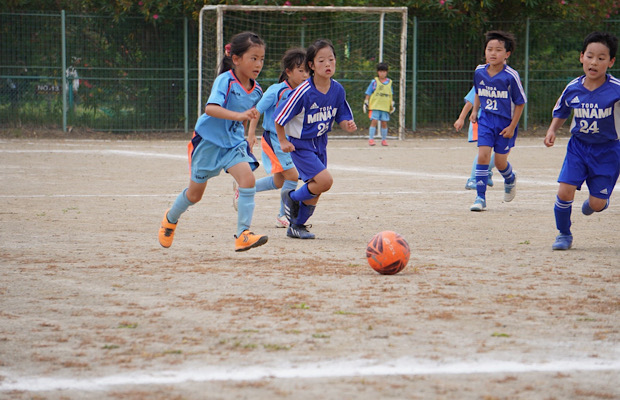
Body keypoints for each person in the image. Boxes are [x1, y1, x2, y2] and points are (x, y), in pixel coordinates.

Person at [158, 31, 268, 252]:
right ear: (236, 59)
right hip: (207, 143)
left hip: (233, 144)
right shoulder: (225, 81)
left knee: (248, 180)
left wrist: (249, 133)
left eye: (262, 59)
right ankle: (170, 219)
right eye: (253, 58)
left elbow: (249, 114)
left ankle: (243, 234)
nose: (259, 64)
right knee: (194, 195)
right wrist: (239, 116)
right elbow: (210, 109)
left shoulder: (257, 90)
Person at [274, 39, 357, 239]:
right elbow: (279, 117)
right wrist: (283, 141)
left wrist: (346, 124)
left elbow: (342, 115)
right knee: (325, 181)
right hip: (300, 145)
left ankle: (296, 226)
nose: (327, 64)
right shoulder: (303, 92)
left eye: (331, 59)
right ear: (311, 65)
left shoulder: (337, 89)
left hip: (320, 143)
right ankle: (291, 197)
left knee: (316, 189)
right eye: (321, 61)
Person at [544, 31, 619, 251]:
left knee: (597, 203)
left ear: (611, 62)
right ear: (581, 57)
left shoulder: (616, 89)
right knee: (564, 191)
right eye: (589, 56)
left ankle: (596, 203)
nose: (594, 62)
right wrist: (552, 130)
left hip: (608, 151)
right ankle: (564, 234)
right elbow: (562, 111)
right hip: (578, 147)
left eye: (601, 58)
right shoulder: (573, 87)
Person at [242, 47, 309, 228]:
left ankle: (244, 188)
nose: (305, 75)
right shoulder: (277, 90)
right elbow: (256, 111)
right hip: (275, 139)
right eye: (301, 71)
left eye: (307, 71)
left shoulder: (305, 91)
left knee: (280, 181)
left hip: (291, 140)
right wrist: (250, 134)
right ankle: (283, 215)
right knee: (293, 176)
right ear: (288, 72)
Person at [469, 30, 526, 211]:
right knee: (483, 155)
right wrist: (475, 110)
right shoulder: (479, 71)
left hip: (505, 124)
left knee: (500, 162)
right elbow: (478, 91)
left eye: (498, 50)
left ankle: (510, 178)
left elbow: (520, 103)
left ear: (507, 54)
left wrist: (512, 127)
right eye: (489, 49)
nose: (493, 53)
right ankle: (480, 197)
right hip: (486, 120)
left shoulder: (511, 76)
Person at [454, 86, 495, 190]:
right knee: (485, 149)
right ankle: (473, 179)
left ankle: (487, 171)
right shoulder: (482, 81)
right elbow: (470, 102)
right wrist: (461, 118)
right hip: (483, 119)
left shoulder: (505, 80)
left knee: (503, 150)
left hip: (499, 120)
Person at [363, 62, 394, 146]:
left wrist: (391, 104)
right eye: (380, 71)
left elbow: (391, 94)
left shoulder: (389, 82)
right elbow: (369, 92)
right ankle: (371, 139)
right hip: (375, 106)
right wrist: (366, 102)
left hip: (385, 107)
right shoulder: (374, 82)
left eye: (384, 71)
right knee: (374, 121)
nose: (382, 73)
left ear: (386, 72)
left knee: (384, 123)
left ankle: (384, 140)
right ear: (378, 72)